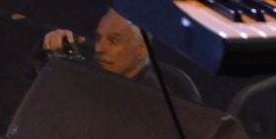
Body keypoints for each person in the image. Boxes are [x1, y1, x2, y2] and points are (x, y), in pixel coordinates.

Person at [41, 9, 201, 104]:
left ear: (142, 49)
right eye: (98, 38)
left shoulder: (157, 100)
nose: (98, 48)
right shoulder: (91, 72)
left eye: (113, 41)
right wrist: (57, 62)